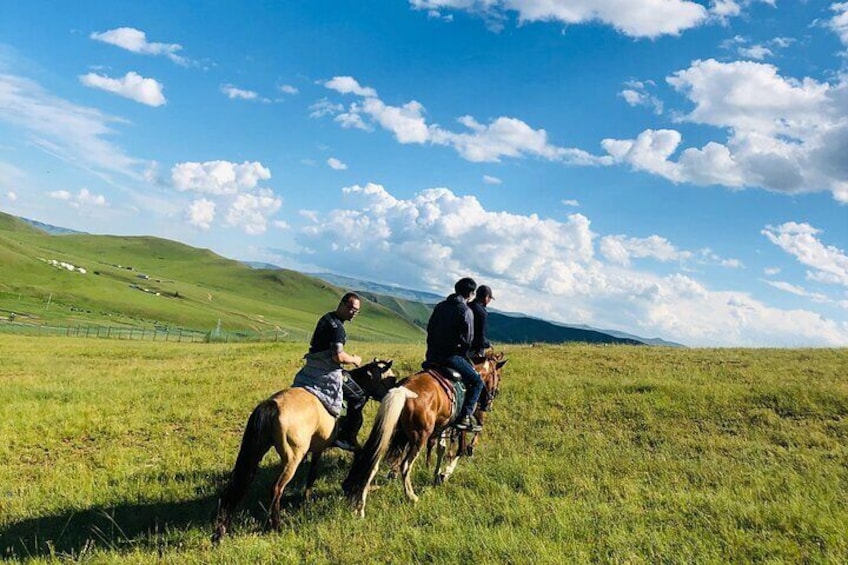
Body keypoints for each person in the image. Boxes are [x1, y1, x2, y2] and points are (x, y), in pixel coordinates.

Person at [292, 292, 364, 451]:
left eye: (357, 311)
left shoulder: (326, 318)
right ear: (342, 304)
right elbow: (338, 356)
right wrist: (354, 359)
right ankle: (345, 437)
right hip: (325, 373)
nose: (354, 313)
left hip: (310, 368)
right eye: (352, 309)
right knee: (358, 396)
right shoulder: (338, 329)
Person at [425, 277, 485, 432]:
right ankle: (464, 416)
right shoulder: (466, 311)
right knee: (477, 382)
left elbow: (430, 329)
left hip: (431, 356)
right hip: (450, 358)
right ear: (471, 294)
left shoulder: (440, 306)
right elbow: (468, 340)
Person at [469, 284, 494, 359]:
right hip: (474, 350)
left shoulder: (467, 306)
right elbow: (480, 336)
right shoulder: (481, 312)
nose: (489, 301)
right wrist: (488, 344)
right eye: (490, 298)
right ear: (486, 297)